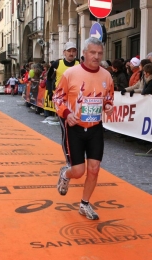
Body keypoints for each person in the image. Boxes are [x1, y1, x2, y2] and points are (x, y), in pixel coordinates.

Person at [53, 37, 114, 220]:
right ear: (84, 54)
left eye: (99, 53)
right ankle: (66, 173)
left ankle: (84, 204)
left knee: (94, 169)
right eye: (93, 53)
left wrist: (109, 106)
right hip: (75, 128)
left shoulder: (106, 75)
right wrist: (66, 114)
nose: (96, 57)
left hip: (95, 127)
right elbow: (58, 98)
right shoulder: (71, 74)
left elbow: (108, 98)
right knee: (78, 171)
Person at [46, 41, 80, 121]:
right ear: (64, 52)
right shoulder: (57, 64)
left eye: (73, 51)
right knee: (63, 120)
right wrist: (50, 92)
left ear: (76, 53)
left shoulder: (79, 63)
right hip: (61, 97)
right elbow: (49, 78)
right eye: (69, 51)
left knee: (73, 121)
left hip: (75, 97)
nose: (71, 53)